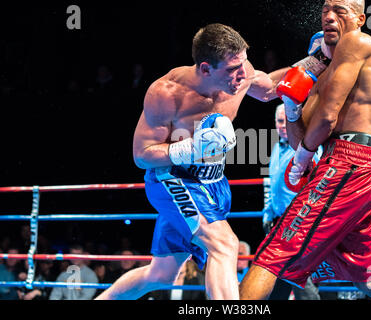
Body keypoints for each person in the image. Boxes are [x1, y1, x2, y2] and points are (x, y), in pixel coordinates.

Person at [96, 23, 330, 300]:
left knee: (160, 275)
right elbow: (142, 154)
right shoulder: (167, 93)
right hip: (174, 180)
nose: (243, 74)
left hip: (214, 182)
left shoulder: (241, 73)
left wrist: (320, 59)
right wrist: (192, 148)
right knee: (225, 245)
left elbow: (270, 89)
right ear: (206, 68)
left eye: (243, 63)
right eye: (232, 69)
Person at [239, 0, 371, 300]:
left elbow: (326, 119)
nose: (329, 16)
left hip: (348, 163)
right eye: (325, 10)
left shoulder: (359, 41)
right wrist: (290, 106)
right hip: (356, 169)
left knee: (271, 254)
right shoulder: (318, 77)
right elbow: (281, 109)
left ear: (361, 18)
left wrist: (300, 161)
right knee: (369, 279)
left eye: (339, 9)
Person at [263, 104, 321, 300]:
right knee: (280, 274)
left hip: (301, 221)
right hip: (279, 222)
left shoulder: (308, 148)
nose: (282, 125)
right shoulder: (276, 148)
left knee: (297, 273)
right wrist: (268, 213)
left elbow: (318, 185)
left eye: (287, 120)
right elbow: (273, 186)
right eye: (279, 121)